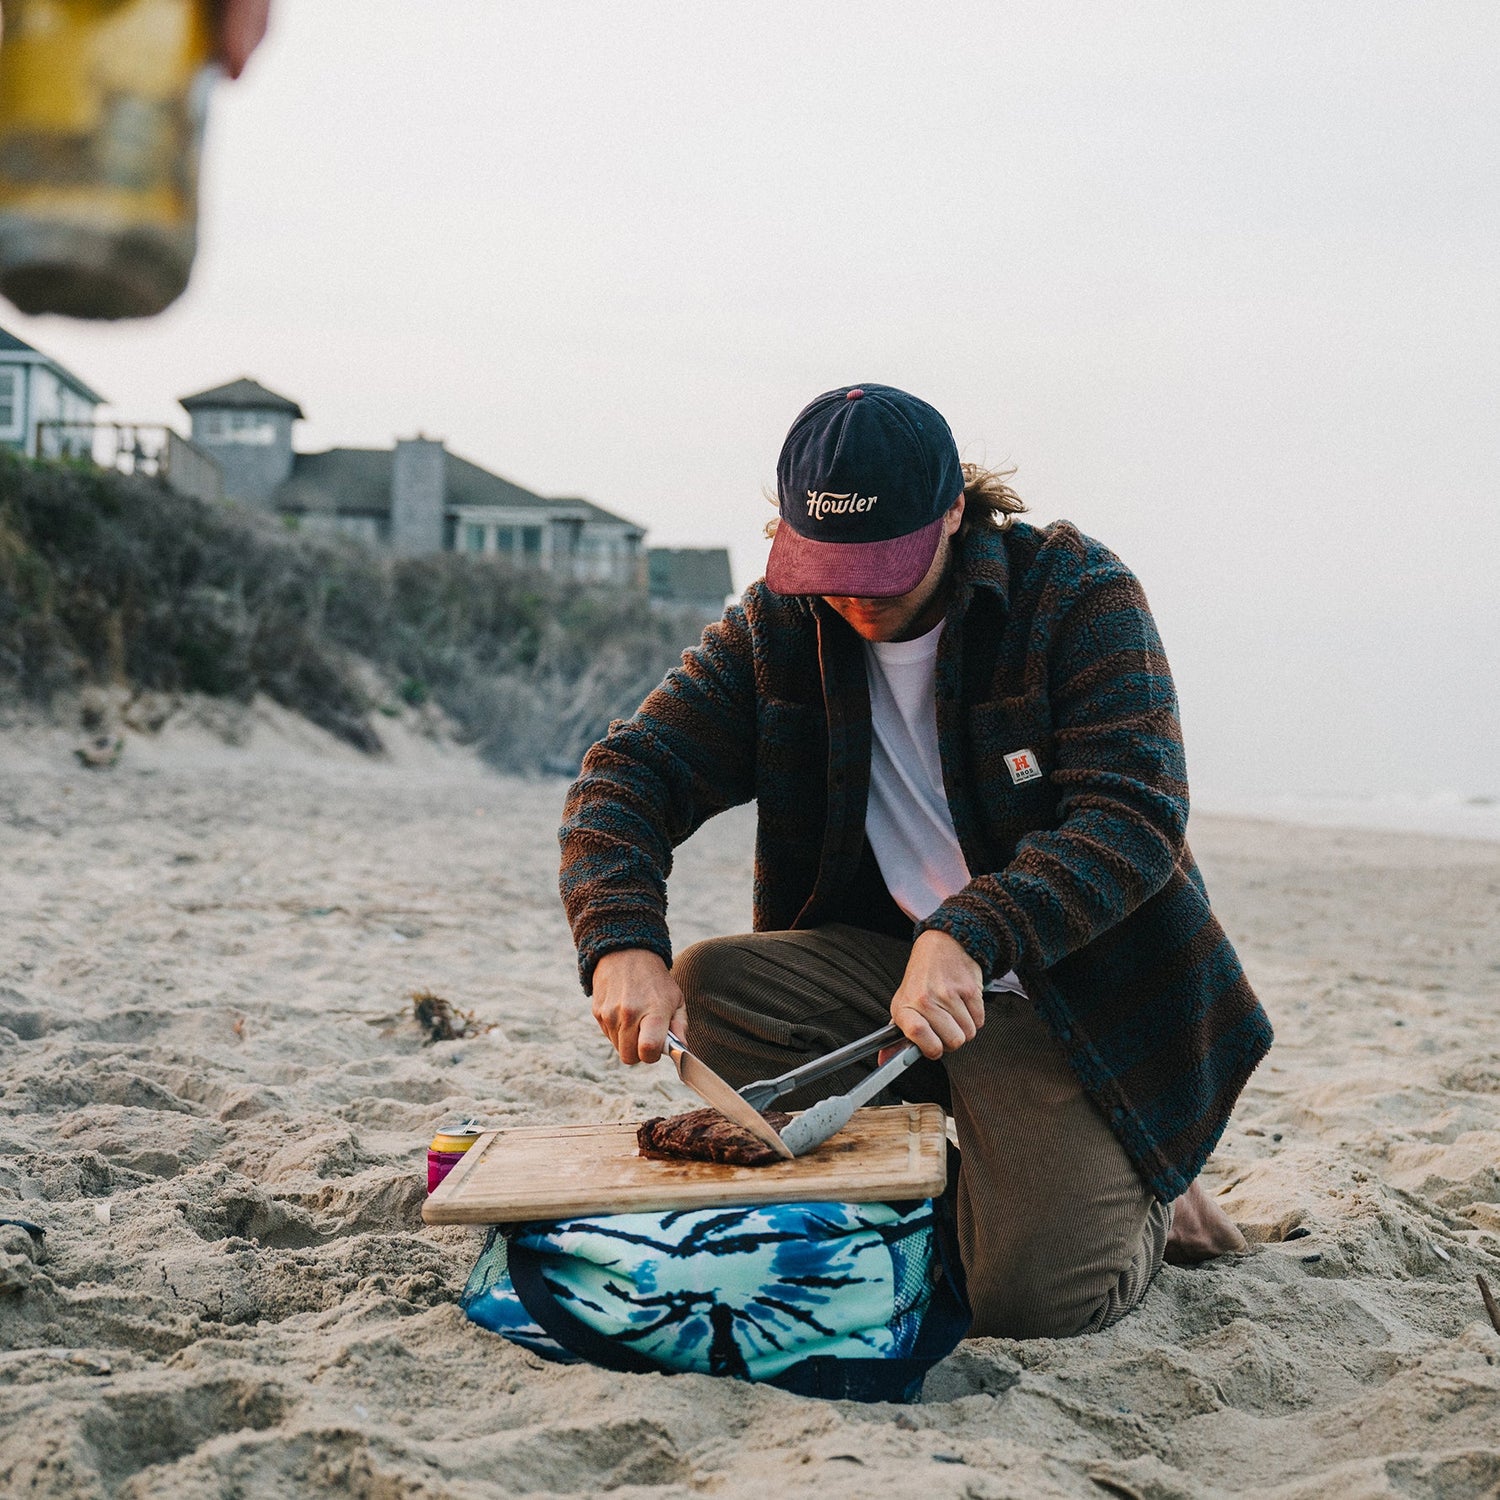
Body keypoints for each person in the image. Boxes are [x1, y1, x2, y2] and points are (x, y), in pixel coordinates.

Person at [559, 384, 1272, 1339]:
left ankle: (1138, 1178)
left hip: (1071, 1003)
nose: (854, 592)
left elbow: (1134, 816)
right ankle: (1040, 1166)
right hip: (893, 993)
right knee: (714, 990)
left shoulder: (1076, 595)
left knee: (1030, 1300)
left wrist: (970, 933)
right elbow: (628, 774)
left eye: (883, 565)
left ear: (954, 516)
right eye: (828, 564)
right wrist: (619, 942)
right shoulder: (777, 629)